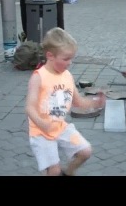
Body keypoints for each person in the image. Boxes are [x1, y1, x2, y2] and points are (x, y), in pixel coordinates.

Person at [26, 27, 106, 176]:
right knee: (53, 170)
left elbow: (78, 102)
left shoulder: (67, 75)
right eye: (66, 59)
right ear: (50, 56)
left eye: (72, 58)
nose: (70, 63)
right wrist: (42, 123)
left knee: (85, 151)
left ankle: (69, 173)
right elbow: (29, 108)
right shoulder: (39, 77)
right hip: (40, 131)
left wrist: (95, 102)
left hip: (60, 126)